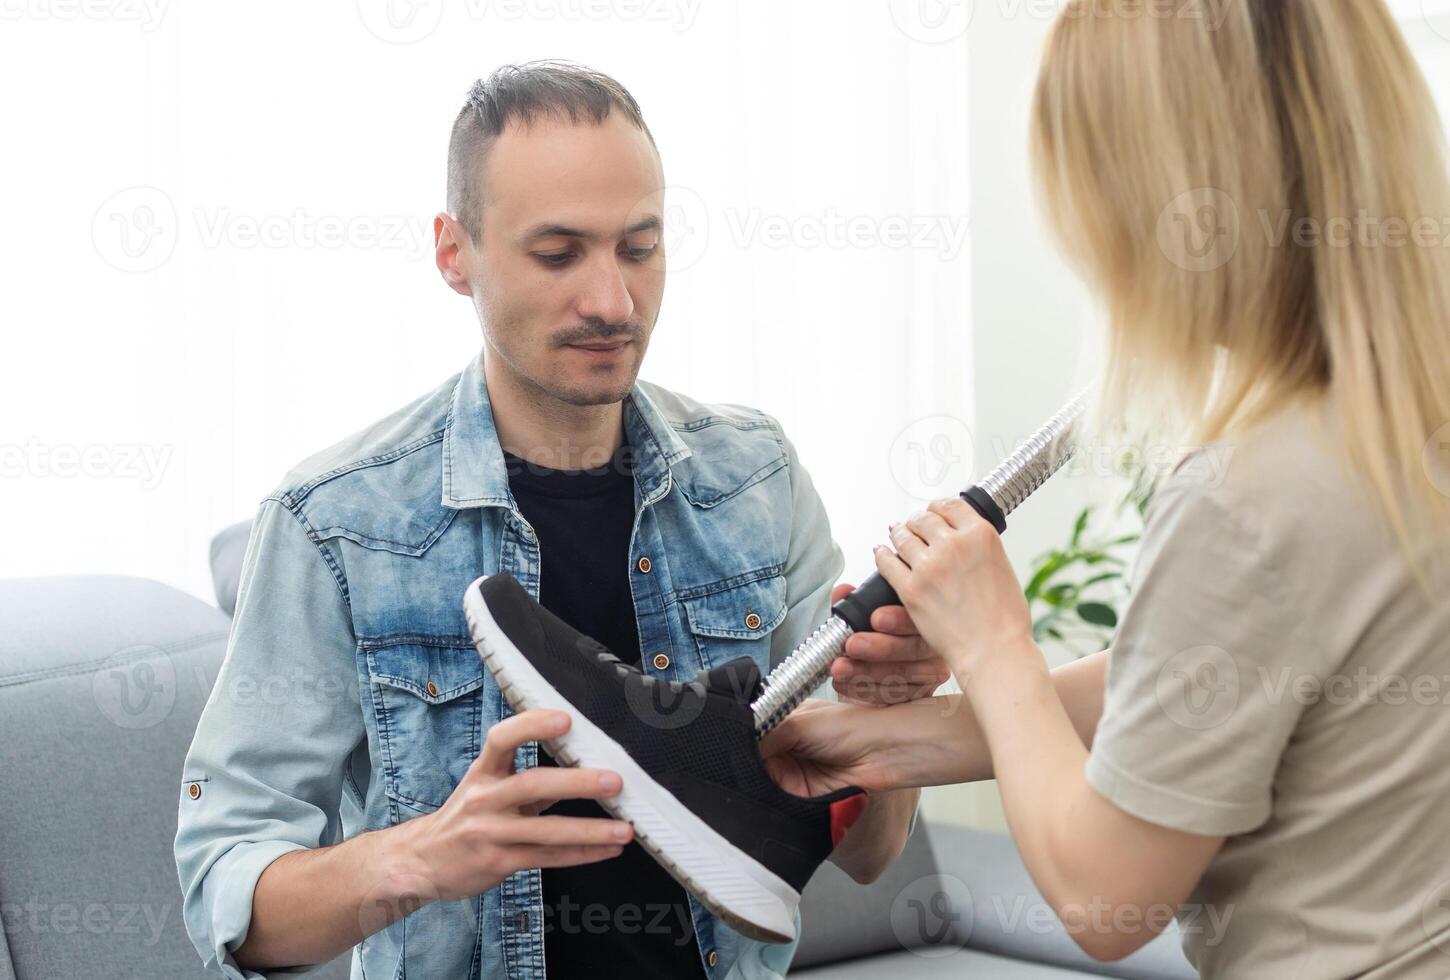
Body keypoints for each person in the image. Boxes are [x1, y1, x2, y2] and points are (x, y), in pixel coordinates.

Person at [174, 61, 931, 980]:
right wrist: (420, 856)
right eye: (558, 253)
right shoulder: (335, 524)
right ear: (455, 253)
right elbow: (228, 888)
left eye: (640, 247)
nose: (612, 302)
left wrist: (888, 709)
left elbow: (865, 853)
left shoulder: (757, 478)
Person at [762, 2, 1450, 977]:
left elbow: (1104, 896)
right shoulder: (1393, 428)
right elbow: (1201, 679)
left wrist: (993, 638)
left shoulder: (1246, 495)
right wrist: (879, 741)